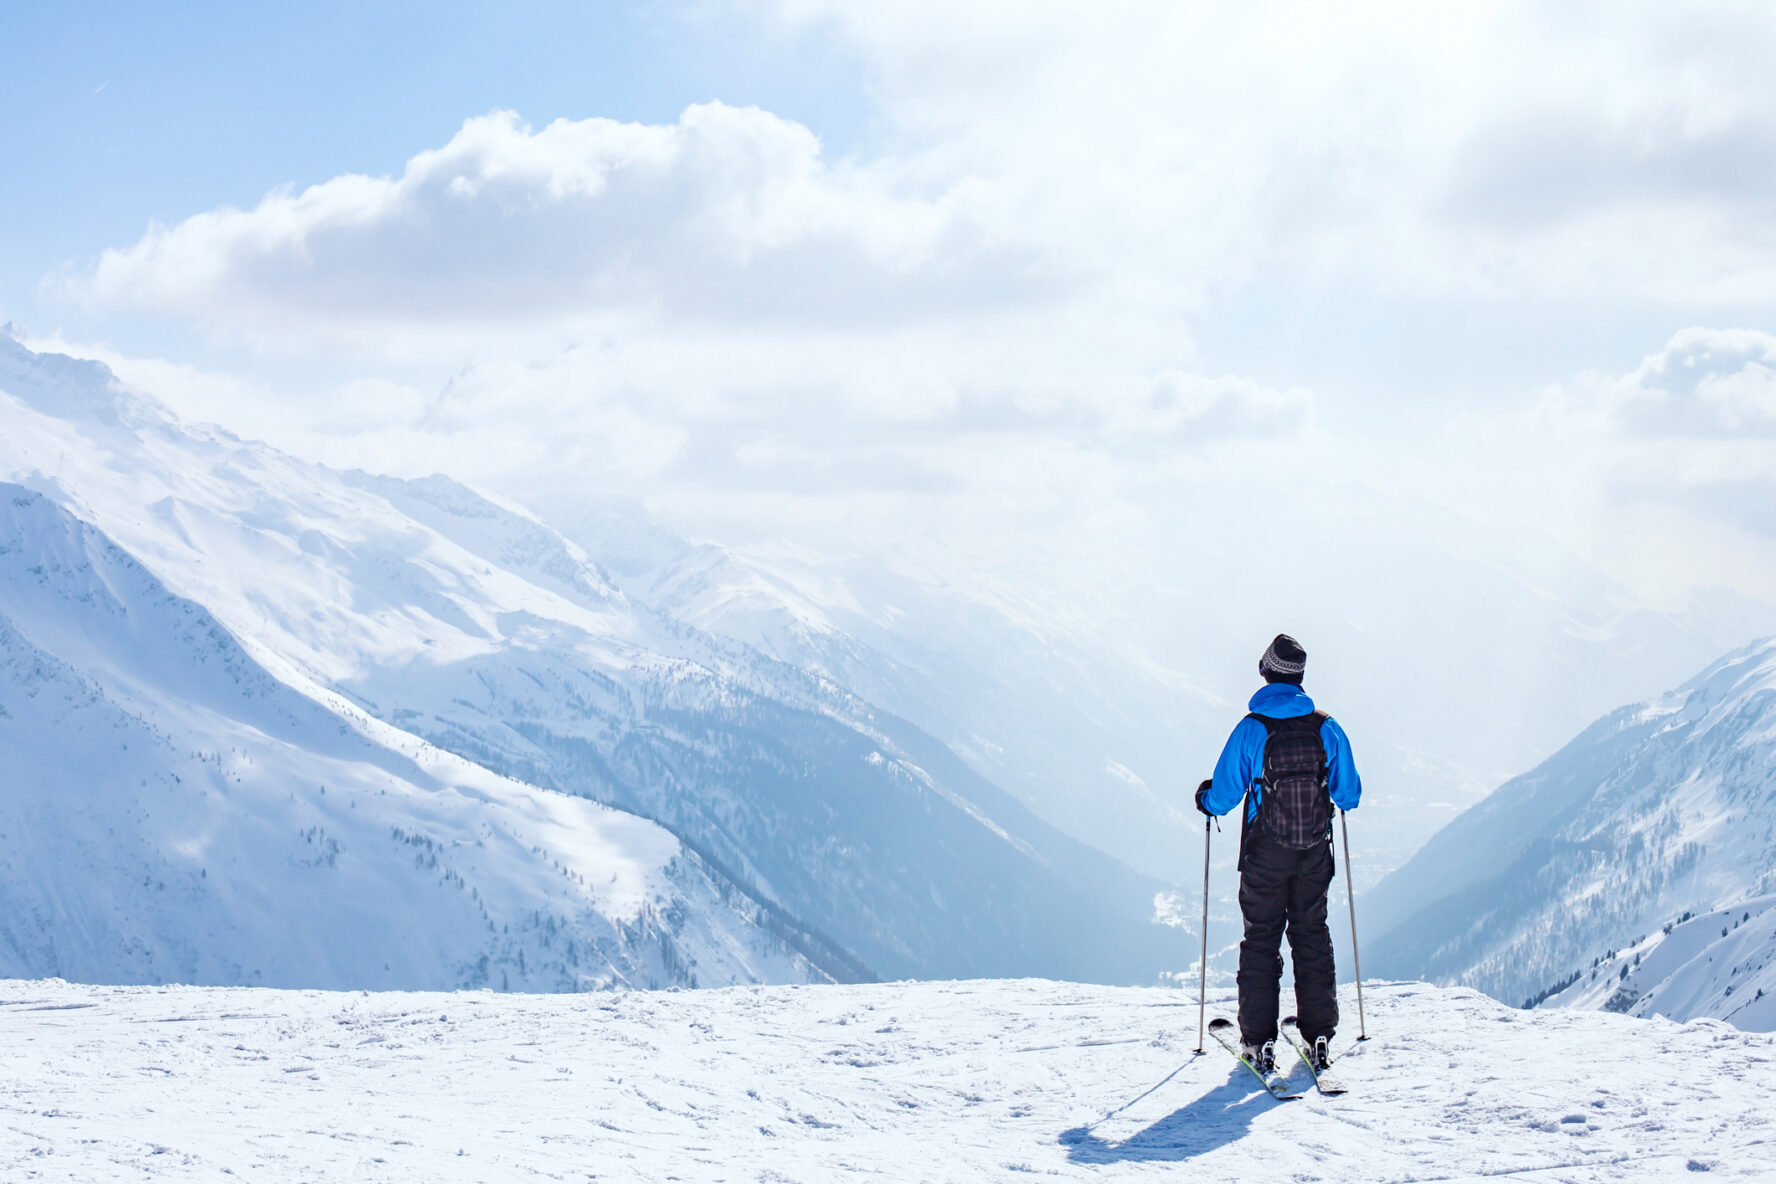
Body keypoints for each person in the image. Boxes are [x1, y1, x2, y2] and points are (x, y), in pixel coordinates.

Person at [1194, 633, 1360, 1075]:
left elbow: (1225, 795)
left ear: (1266, 673)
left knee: (1261, 941)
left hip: (1264, 855)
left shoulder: (1252, 729)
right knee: (1311, 936)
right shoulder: (1326, 727)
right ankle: (1319, 1034)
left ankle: (1258, 1042)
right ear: (1301, 677)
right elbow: (1349, 795)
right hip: (1312, 853)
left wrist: (1205, 800)